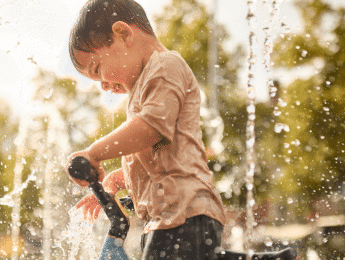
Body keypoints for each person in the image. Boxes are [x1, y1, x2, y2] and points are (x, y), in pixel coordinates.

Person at [65, 0, 227, 259]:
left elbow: (150, 129)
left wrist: (94, 153)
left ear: (123, 34)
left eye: (98, 70)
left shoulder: (165, 67)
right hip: (169, 219)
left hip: (187, 215)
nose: (103, 86)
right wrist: (114, 182)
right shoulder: (145, 86)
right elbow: (155, 160)